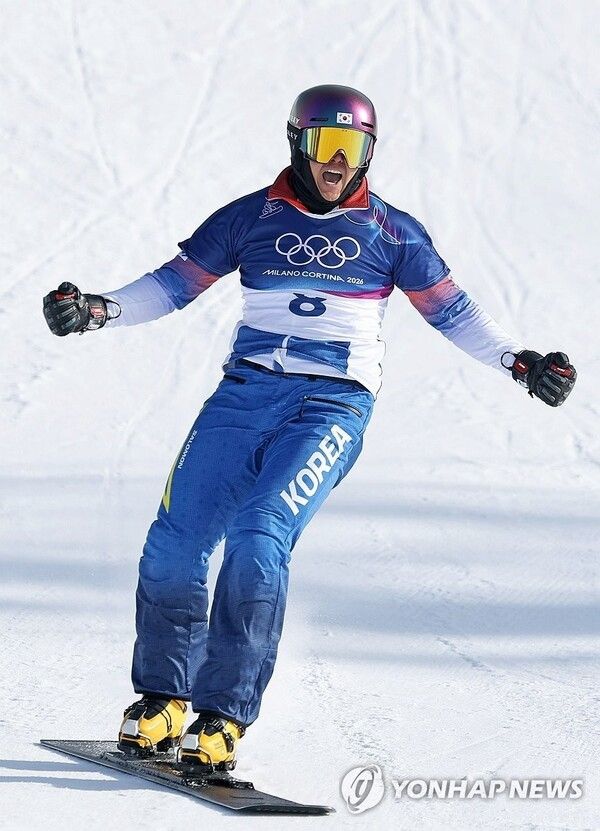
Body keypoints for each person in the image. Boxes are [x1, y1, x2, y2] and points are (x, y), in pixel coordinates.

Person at [43, 84, 577, 770]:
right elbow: (174, 283)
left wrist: (520, 362)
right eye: (325, 145)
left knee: (259, 538)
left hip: (331, 405)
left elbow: (453, 312)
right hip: (245, 395)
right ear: (297, 142)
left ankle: (222, 713)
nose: (338, 163)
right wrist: (97, 308)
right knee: (175, 540)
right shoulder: (250, 217)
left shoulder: (392, 232)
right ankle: (165, 698)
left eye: (354, 149)